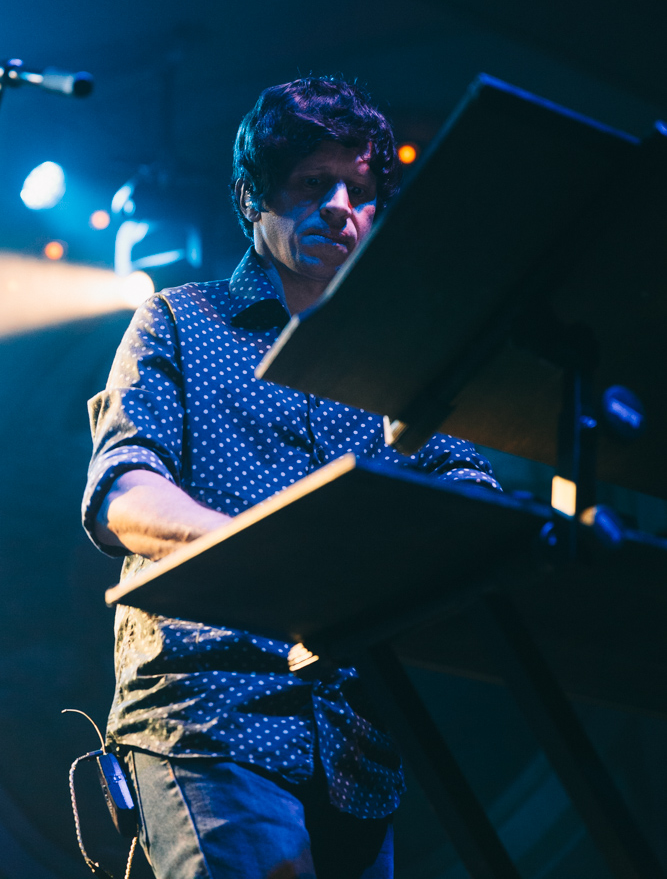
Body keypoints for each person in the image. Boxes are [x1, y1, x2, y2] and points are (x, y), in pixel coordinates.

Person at [83, 76, 500, 879]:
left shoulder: (395, 362)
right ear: (251, 197)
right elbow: (122, 491)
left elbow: (466, 491)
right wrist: (274, 558)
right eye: (314, 185)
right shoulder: (177, 318)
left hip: (360, 744)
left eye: (361, 189)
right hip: (208, 717)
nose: (342, 207)